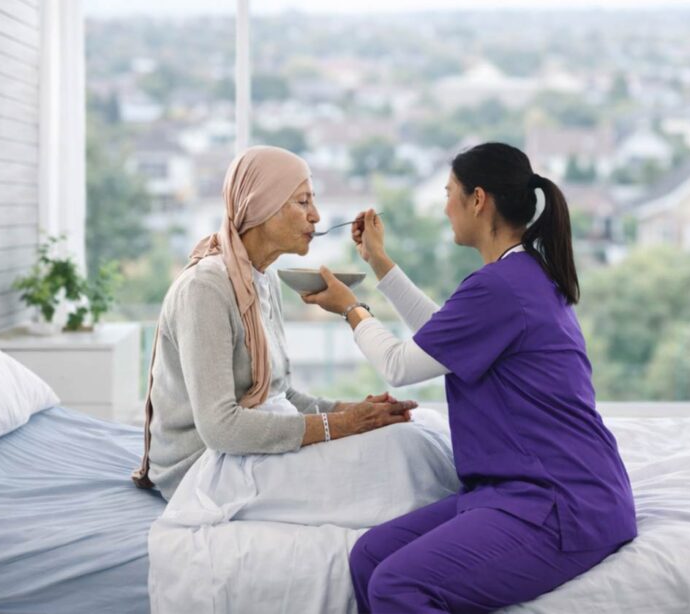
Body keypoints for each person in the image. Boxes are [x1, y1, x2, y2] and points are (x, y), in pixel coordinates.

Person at [306, 142, 638, 613]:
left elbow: (401, 365)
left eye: (449, 194)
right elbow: (442, 337)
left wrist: (350, 309)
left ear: (478, 200)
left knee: (397, 585)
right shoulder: (518, 275)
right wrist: (378, 262)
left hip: (562, 505)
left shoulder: (501, 286)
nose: (445, 208)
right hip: (513, 493)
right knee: (369, 558)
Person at [131, 145, 416, 500]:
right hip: (199, 468)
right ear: (260, 206)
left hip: (239, 454)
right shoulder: (205, 288)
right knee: (384, 479)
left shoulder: (261, 280)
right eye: (303, 202)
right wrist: (341, 425)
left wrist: (352, 412)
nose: (316, 216)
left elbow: (280, 395)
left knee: (401, 442)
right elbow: (220, 428)